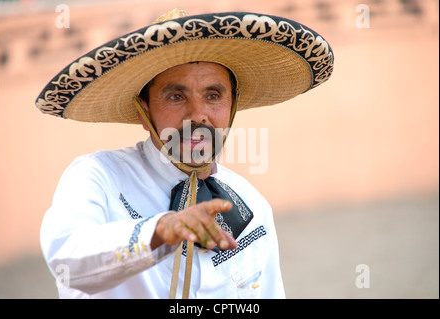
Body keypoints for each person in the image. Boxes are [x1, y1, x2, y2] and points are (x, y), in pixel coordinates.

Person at [36, 8, 334, 299]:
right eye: (176, 96)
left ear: (232, 105)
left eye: (213, 96)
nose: (198, 115)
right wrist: (161, 230)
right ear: (144, 110)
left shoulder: (253, 207)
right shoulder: (98, 177)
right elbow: (67, 262)